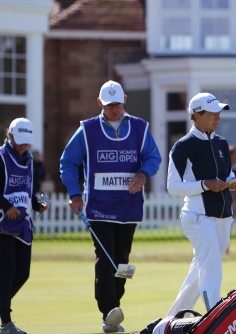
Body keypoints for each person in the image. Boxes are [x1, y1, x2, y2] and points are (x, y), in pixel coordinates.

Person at [59, 80, 162, 333]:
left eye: (117, 104)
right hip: (99, 207)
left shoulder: (139, 127)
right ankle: (108, 310)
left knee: (123, 263)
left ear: (124, 100)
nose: (114, 110)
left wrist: (143, 173)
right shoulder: (87, 130)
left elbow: (153, 157)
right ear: (99, 104)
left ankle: (114, 307)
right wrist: (74, 194)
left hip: (128, 208)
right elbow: (68, 163)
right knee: (105, 258)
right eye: (108, 105)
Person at [166, 92, 236, 316]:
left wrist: (231, 182)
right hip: (198, 216)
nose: (218, 116)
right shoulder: (182, 146)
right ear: (196, 116)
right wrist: (205, 185)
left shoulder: (221, 142)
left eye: (219, 112)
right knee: (211, 268)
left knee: (200, 269)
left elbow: (226, 174)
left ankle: (172, 320)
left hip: (223, 215)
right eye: (213, 113)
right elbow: (173, 186)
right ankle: (216, 318)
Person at [0, 118, 49, 334]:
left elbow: (25, 191)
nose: (24, 146)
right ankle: (6, 324)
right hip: (0, 222)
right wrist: (6, 205)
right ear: (10, 136)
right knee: (6, 272)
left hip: (21, 223)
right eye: (20, 141)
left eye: (27, 142)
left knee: (22, 273)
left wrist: (36, 204)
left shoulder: (28, 159)